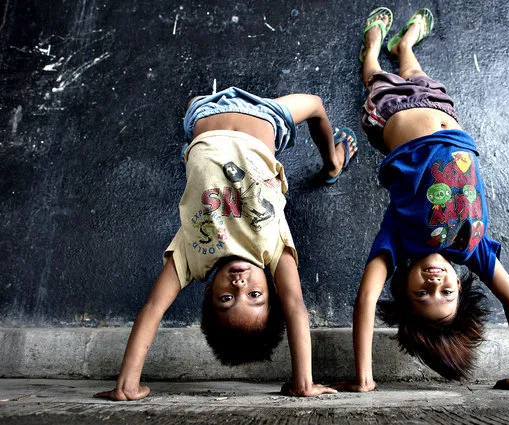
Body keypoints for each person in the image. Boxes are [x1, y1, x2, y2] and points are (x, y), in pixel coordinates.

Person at [95, 87, 358, 400]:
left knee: (192, 105)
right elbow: (296, 306)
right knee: (315, 104)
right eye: (254, 294)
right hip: (263, 117)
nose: (239, 284)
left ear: (209, 291)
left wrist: (127, 385)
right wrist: (303, 383)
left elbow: (153, 308)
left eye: (226, 298)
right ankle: (333, 163)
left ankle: (195, 153)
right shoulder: (272, 250)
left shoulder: (192, 257)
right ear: (272, 288)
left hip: (204, 116)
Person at [336, 7, 509, 391]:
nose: (436, 283)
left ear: (403, 287)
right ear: (460, 288)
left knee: (374, 77)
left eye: (422, 292)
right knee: (415, 73)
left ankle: (372, 46)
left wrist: (364, 378)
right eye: (445, 292)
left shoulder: (398, 241)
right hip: (442, 112)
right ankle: (405, 44)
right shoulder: (473, 249)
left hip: (389, 116)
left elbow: (366, 297)